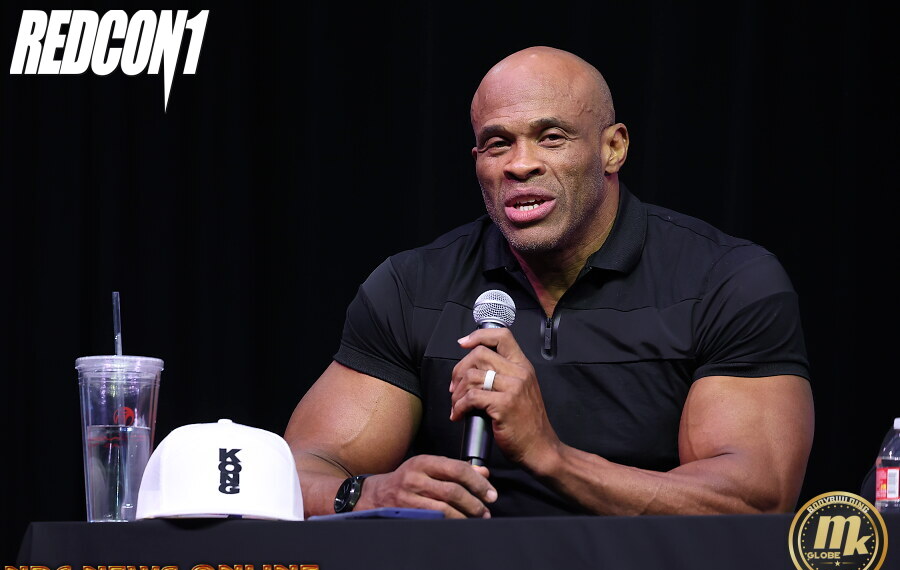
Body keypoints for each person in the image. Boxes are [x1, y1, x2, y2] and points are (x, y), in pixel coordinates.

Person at [285, 46, 814, 518]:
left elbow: (755, 498)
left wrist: (551, 456)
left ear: (613, 148)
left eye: (551, 137)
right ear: (477, 161)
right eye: (498, 144)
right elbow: (299, 470)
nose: (520, 165)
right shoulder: (413, 288)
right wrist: (368, 494)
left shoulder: (726, 281)